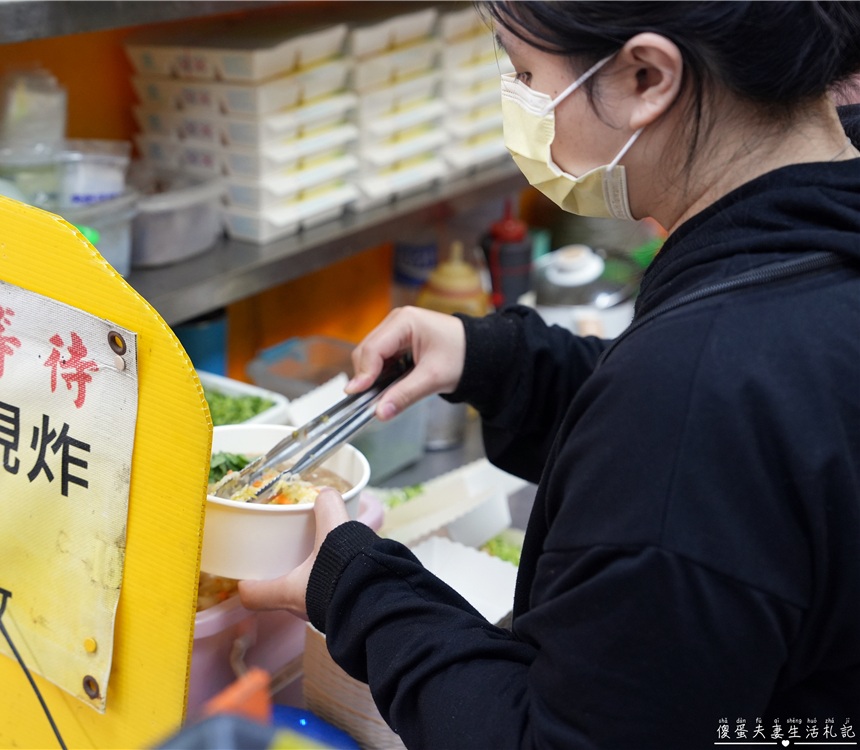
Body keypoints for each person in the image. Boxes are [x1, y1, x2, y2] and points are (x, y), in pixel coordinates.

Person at [239, 3, 860, 747]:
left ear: (644, 76)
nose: (521, 103)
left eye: (526, 73)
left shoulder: (697, 394)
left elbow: (557, 738)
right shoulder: (810, 248)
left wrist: (354, 590)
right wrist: (501, 362)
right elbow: (754, 457)